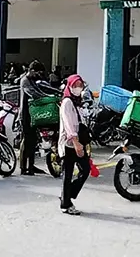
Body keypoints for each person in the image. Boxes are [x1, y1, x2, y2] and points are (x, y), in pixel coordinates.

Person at [59, 74, 92, 215]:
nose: (78, 88)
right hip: (69, 143)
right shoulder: (67, 102)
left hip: (78, 141)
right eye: (75, 85)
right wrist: (76, 143)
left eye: (80, 85)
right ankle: (66, 204)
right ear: (70, 86)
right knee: (68, 174)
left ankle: (66, 196)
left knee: (85, 170)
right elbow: (68, 125)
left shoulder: (77, 102)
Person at [19, 60, 48, 176]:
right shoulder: (25, 81)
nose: (38, 75)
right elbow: (33, 93)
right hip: (26, 115)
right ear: (31, 71)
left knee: (33, 142)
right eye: (37, 72)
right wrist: (46, 98)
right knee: (27, 142)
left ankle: (31, 166)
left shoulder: (33, 80)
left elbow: (39, 91)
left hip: (34, 115)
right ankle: (23, 168)